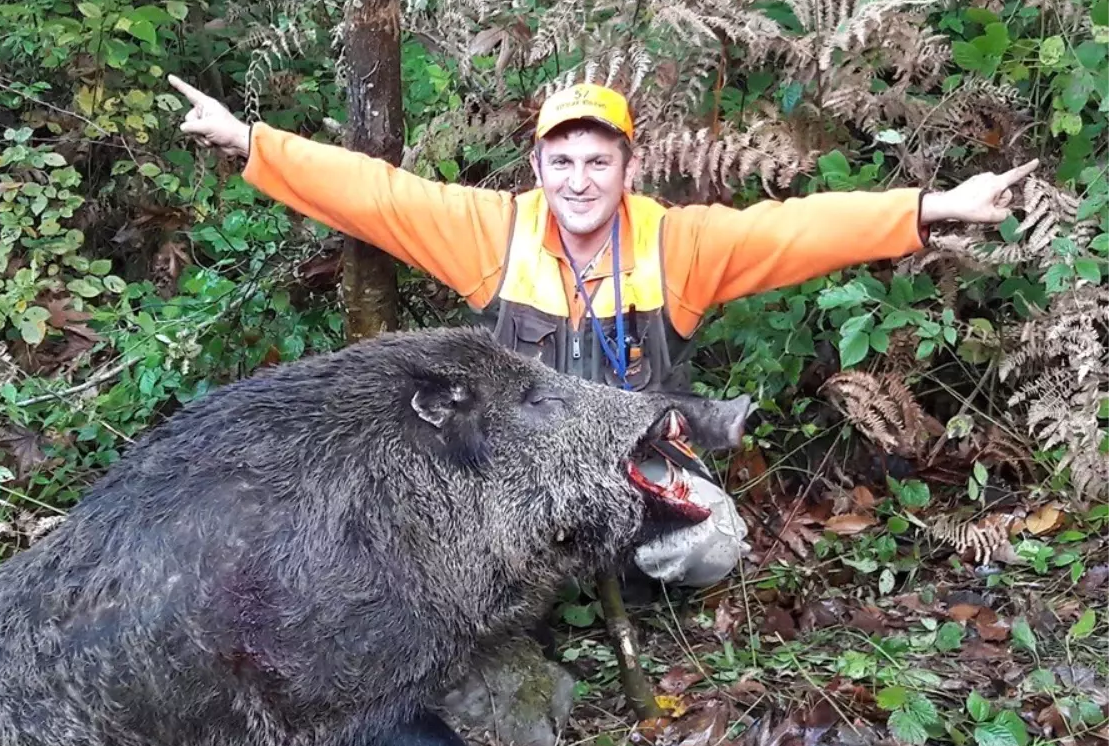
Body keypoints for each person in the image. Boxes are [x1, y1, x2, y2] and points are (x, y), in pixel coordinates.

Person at [166, 74, 1038, 589]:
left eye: (598, 161)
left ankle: (615, 568)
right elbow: (374, 193)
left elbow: (802, 226)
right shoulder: (490, 232)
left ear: (627, 167)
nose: (579, 181)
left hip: (633, 459)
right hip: (518, 471)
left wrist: (936, 209)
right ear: (537, 166)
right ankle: (532, 582)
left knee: (713, 545)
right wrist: (250, 141)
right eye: (562, 161)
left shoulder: (682, 244)